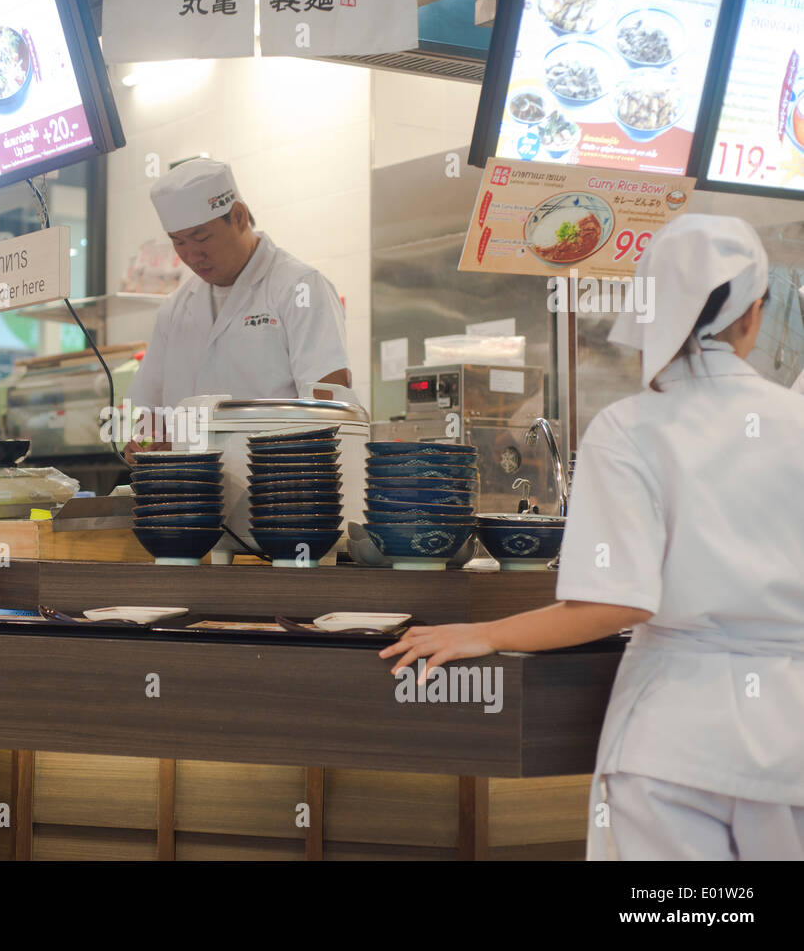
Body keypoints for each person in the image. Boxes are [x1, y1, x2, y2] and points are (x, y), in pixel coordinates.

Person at [380, 214, 804, 860]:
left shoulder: (630, 427)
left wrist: (485, 633)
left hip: (673, 755)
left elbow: (617, 603)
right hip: (788, 747)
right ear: (753, 315)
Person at [123, 158, 351, 460]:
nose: (191, 255)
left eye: (201, 237)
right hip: (194, 495)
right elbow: (145, 410)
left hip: (279, 489)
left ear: (239, 217)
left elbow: (328, 408)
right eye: (178, 242)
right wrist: (145, 441)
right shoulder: (175, 309)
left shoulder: (300, 288)